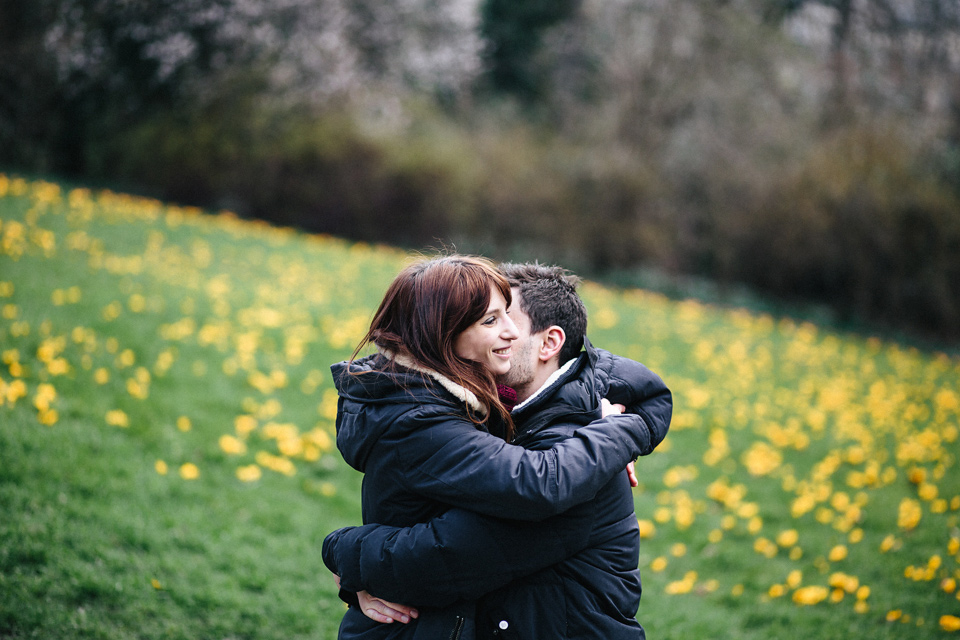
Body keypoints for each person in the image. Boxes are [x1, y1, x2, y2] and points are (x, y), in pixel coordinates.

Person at [324, 262, 672, 639]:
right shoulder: (462, 415)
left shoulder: (579, 460)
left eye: (509, 317)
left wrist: (344, 552)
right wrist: (628, 427)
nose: (504, 330)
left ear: (550, 343)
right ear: (445, 333)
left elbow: (441, 558)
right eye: (490, 319)